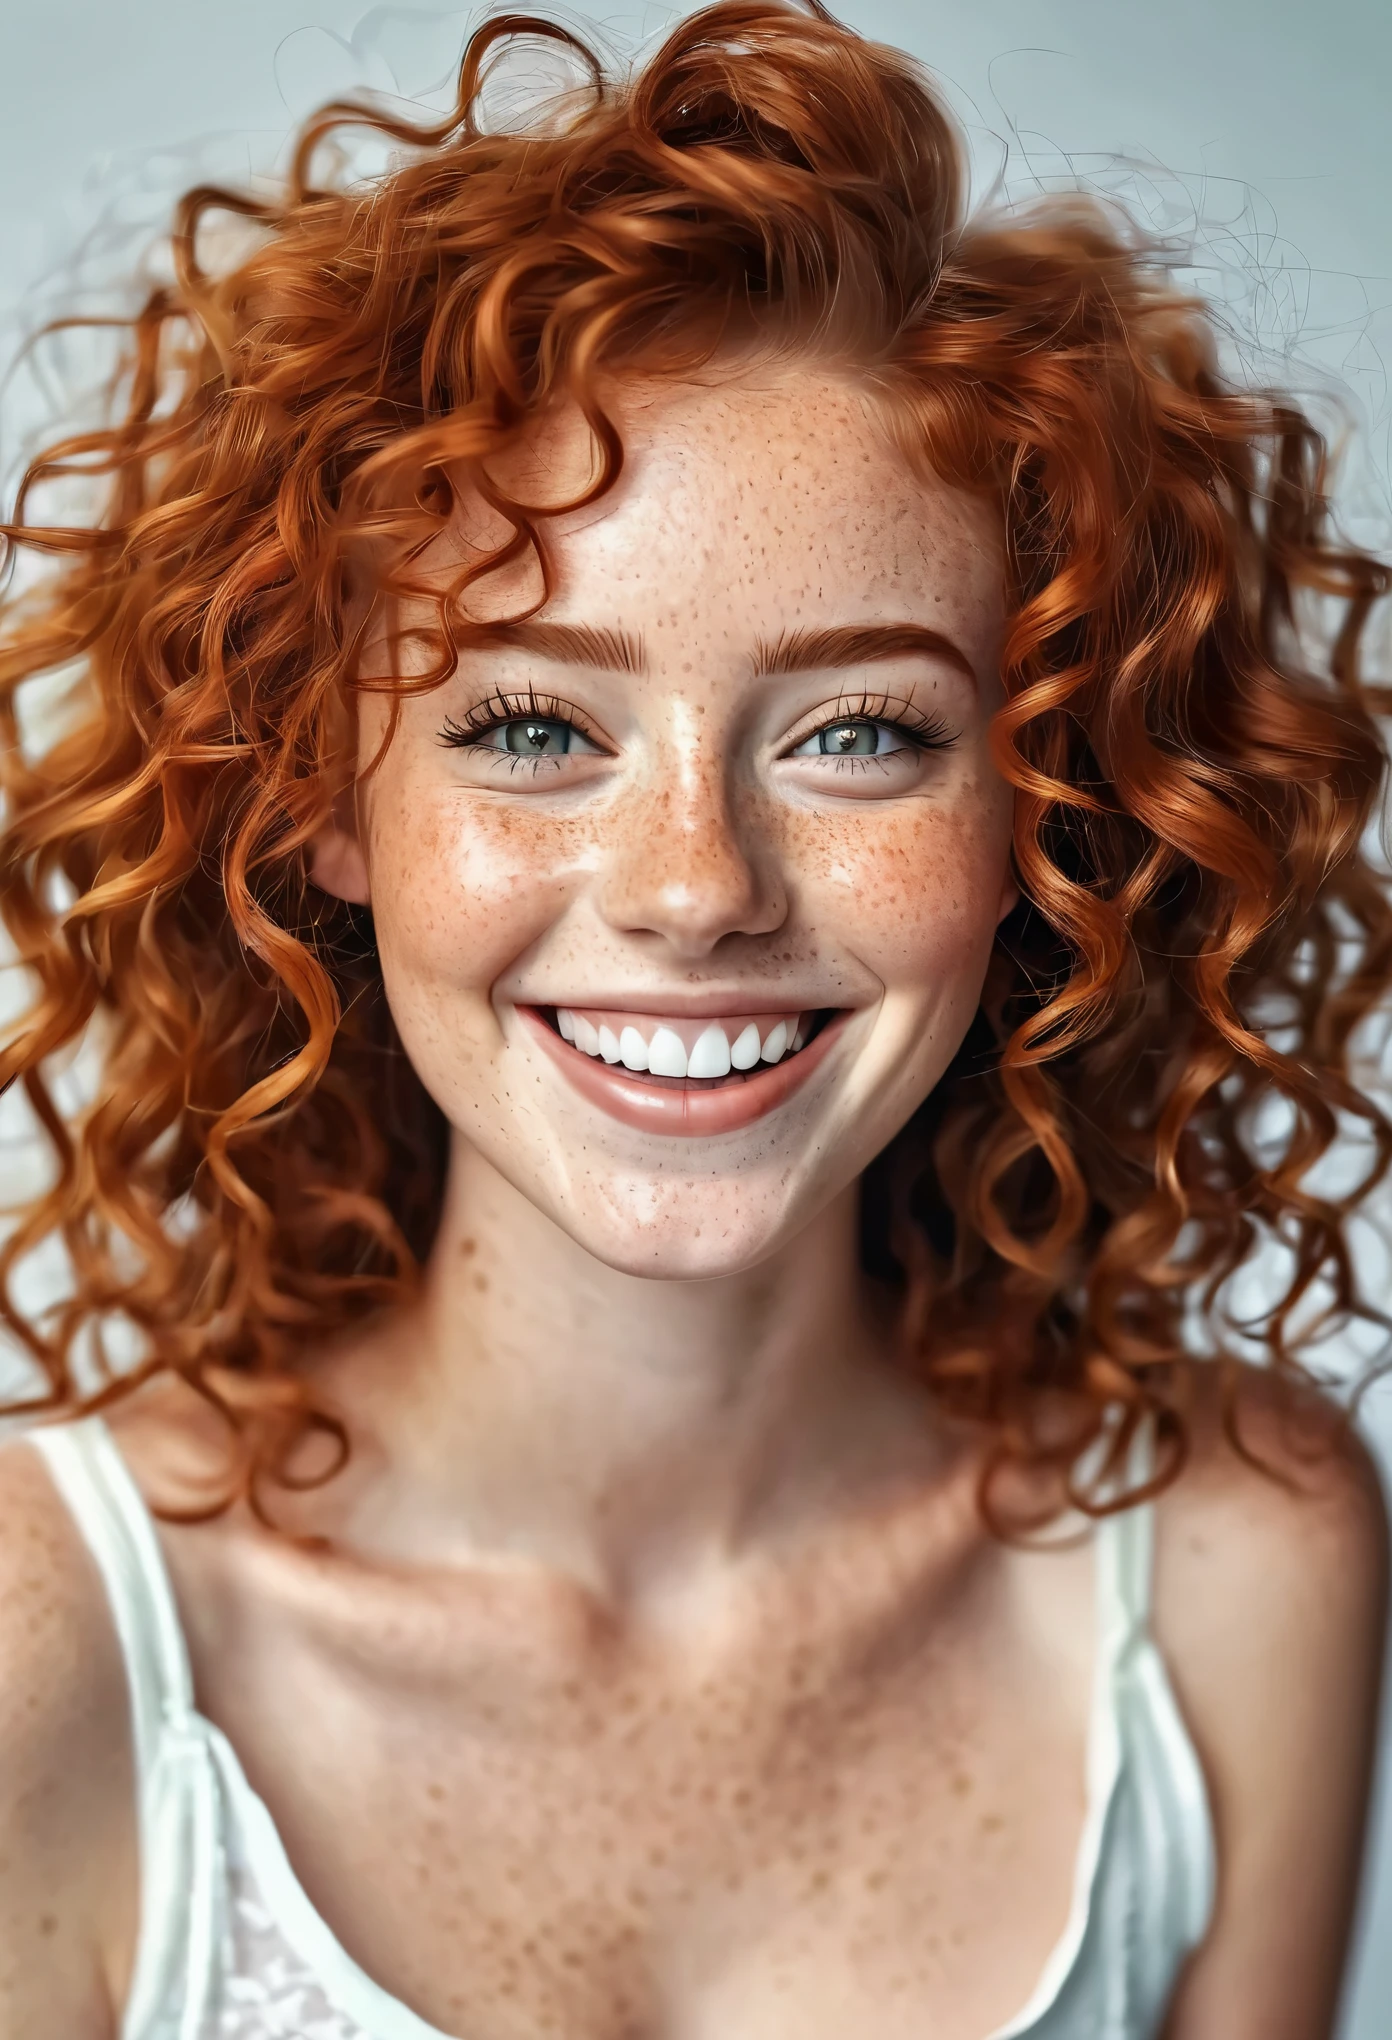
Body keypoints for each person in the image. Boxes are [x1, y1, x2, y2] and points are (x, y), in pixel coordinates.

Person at [0, 3, 1388, 2035]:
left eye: (858, 733)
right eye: (535, 723)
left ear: (1048, 812)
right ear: (320, 798)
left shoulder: (1232, 1566)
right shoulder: (49, 1644)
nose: (693, 887)